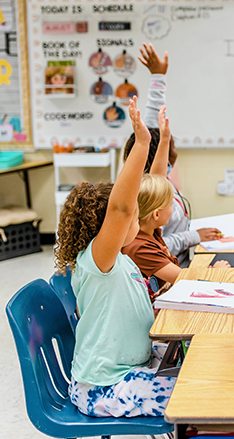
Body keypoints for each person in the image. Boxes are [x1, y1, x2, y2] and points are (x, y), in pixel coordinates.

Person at [54, 97, 175, 418]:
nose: (137, 215)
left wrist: (161, 142)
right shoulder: (98, 262)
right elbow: (121, 208)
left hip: (132, 367)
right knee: (195, 390)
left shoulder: (120, 255)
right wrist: (142, 144)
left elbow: (155, 187)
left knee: (199, 363)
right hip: (103, 386)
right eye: (135, 213)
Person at [123, 43, 221, 267]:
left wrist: (158, 76)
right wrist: (193, 237)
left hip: (180, 262)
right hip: (171, 270)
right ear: (161, 158)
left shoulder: (152, 177)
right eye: (169, 147)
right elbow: (151, 246)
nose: (174, 152)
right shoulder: (146, 195)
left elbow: (151, 126)